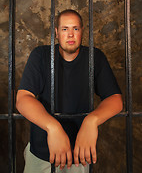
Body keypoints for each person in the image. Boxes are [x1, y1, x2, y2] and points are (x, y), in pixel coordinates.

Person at [16, 9, 123, 173]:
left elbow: (115, 99)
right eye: (65, 29)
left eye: (75, 29)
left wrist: (92, 121)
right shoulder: (41, 55)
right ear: (57, 33)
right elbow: (23, 98)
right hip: (42, 152)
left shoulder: (95, 57)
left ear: (82, 32)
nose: (70, 34)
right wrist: (53, 127)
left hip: (78, 154)